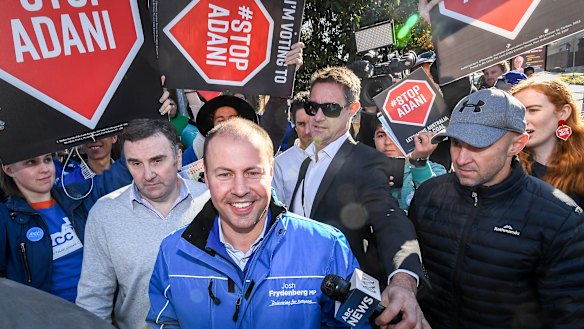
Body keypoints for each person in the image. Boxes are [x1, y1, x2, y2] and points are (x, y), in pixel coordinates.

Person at [147, 118, 359, 328]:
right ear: (207, 178)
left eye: (252, 173)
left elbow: (352, 324)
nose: (240, 189)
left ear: (271, 172)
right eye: (225, 174)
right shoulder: (173, 252)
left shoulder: (326, 246)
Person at [411, 88, 584, 328]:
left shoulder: (561, 218)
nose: (460, 159)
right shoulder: (428, 195)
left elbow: (568, 318)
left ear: (517, 144)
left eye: (478, 145)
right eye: (456, 143)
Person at [291, 66, 429, 328]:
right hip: (303, 303)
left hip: (343, 308)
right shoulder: (307, 164)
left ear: (352, 110)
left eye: (330, 108)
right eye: (312, 107)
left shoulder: (367, 161)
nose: (317, 117)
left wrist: (403, 280)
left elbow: (390, 219)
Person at [75, 119, 210, 329]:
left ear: (178, 157)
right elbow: (93, 300)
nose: (148, 175)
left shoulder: (210, 202)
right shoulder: (105, 213)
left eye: (157, 161)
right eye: (136, 163)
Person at [0, 151, 132, 302]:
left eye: (48, 159)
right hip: (50, 317)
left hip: (102, 308)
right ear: (9, 169)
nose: (44, 169)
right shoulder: (5, 219)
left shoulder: (77, 196)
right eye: (31, 162)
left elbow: (120, 173)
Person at [510, 78, 584, 205]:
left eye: (533, 110)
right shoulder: (505, 162)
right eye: (517, 112)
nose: (523, 120)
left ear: (563, 113)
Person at [373, 123, 446, 212]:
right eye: (381, 135)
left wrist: (419, 163)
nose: (388, 142)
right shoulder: (364, 172)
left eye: (395, 134)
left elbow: (436, 206)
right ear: (374, 139)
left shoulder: (436, 170)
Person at [181, 95, 259, 165]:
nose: (226, 124)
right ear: (213, 125)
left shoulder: (254, 146)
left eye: (232, 118)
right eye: (220, 120)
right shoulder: (204, 145)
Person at [273, 91, 311, 206]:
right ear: (293, 125)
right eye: (302, 124)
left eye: (312, 123)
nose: (308, 131)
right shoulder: (279, 164)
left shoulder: (335, 159)